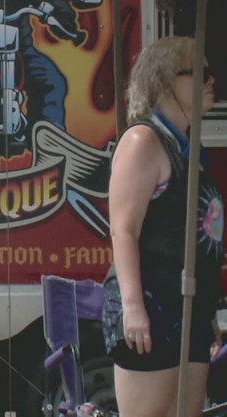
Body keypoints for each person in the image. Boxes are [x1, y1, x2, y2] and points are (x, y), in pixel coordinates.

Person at [103, 36, 224, 417]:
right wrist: (134, 307)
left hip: (189, 302)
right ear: (166, 80)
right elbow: (123, 229)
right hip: (154, 301)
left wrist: (205, 312)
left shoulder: (188, 146)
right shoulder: (144, 140)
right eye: (200, 73)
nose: (212, 80)